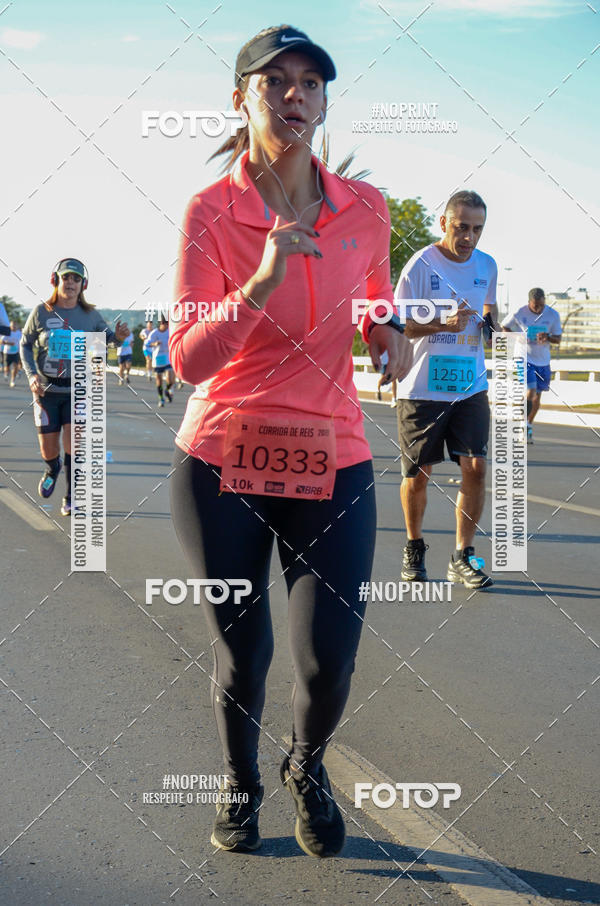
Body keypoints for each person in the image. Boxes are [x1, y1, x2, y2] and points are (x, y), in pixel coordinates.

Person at [168, 24, 412, 858]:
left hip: (333, 454)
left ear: (324, 101)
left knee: (328, 661)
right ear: (244, 98)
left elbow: (375, 300)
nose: (296, 94)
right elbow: (187, 354)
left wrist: (390, 335)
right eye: (277, 81)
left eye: (312, 81)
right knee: (243, 655)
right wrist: (262, 281)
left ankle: (305, 767)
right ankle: (238, 786)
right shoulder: (213, 211)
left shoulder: (366, 209)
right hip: (224, 459)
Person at [394, 190, 499, 590]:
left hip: (470, 384)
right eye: (462, 227)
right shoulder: (421, 264)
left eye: (477, 229)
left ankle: (463, 556)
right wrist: (443, 323)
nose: (469, 237)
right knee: (419, 474)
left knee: (475, 467)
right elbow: (397, 325)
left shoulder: (487, 265)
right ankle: (414, 546)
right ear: (444, 223)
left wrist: (495, 330)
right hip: (421, 387)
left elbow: (488, 309)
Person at [20, 258, 128, 516]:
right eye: (66, 277)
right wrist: (32, 375)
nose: (70, 283)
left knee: (74, 446)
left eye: (76, 279)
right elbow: (25, 344)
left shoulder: (90, 316)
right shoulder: (41, 312)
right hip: (46, 391)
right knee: (49, 449)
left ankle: (71, 498)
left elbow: (106, 343)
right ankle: (51, 469)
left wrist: (119, 338)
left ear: (83, 285)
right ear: (55, 280)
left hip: (78, 391)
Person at [502, 288, 561, 443]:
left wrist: (547, 336)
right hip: (523, 358)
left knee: (537, 397)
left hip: (543, 360)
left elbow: (558, 338)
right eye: (536, 306)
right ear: (529, 302)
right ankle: (522, 425)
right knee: (531, 391)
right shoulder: (519, 312)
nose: (539, 309)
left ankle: (528, 424)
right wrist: (517, 337)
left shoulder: (553, 315)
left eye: (541, 305)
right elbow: (504, 328)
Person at [147, 317, 174, 406]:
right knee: (159, 380)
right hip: (158, 358)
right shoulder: (154, 333)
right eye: (166, 325)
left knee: (170, 379)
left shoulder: (170, 332)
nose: (167, 327)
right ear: (161, 324)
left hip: (167, 357)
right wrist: (154, 344)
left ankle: (167, 390)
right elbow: (148, 343)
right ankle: (161, 398)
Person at [3, 320, 22, 387]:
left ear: (17, 326)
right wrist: (9, 343)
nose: (13, 327)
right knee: (7, 367)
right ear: (10, 326)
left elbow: (23, 341)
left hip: (15, 352)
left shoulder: (19, 333)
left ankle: (12, 381)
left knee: (15, 367)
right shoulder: (7, 332)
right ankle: (6, 373)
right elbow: (1, 341)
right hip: (7, 352)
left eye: (14, 326)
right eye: (12, 326)